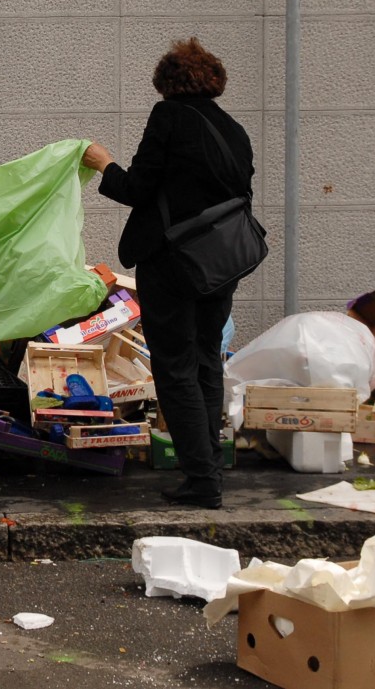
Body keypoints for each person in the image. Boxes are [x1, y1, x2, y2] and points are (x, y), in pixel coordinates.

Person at [81, 38, 254, 510]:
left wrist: (103, 164)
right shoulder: (233, 130)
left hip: (173, 264)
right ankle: (209, 468)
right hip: (220, 263)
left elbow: (137, 187)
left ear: (166, 83)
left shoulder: (169, 118)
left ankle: (201, 479)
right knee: (204, 360)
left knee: (174, 366)